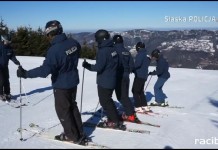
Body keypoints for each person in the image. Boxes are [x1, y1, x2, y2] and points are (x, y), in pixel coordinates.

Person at [17, 20, 87, 144]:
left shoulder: (54, 50)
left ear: (50, 33)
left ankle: (72, 135)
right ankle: (79, 132)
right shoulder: (73, 42)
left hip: (62, 84)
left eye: (47, 35)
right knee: (72, 106)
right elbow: (76, 53)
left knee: (63, 110)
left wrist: (26, 74)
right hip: (73, 81)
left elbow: (45, 71)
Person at [82, 30, 126, 130]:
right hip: (112, 79)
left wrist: (87, 65)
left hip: (104, 81)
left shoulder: (103, 51)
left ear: (101, 39)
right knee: (108, 100)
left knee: (105, 102)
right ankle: (114, 117)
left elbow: (98, 67)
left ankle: (115, 121)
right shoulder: (113, 49)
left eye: (97, 39)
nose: (97, 41)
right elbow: (118, 63)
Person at [112, 34, 140, 123]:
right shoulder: (127, 52)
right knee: (124, 96)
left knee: (121, 97)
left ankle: (130, 114)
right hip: (126, 76)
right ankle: (130, 112)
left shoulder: (113, 51)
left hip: (118, 76)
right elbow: (132, 65)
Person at [132, 42, 151, 113]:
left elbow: (137, 64)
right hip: (144, 75)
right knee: (140, 91)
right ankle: (144, 105)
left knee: (135, 91)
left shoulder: (140, 54)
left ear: (138, 47)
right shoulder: (146, 55)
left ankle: (138, 106)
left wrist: (132, 68)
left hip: (139, 75)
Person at [0, 34, 20, 102]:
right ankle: (1, 94)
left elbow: (12, 56)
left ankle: (7, 93)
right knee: (1, 80)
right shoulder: (0, 47)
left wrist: (16, 62)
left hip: (5, 66)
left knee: (7, 80)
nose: (8, 43)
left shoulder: (9, 48)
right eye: (7, 41)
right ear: (3, 40)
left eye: (9, 42)